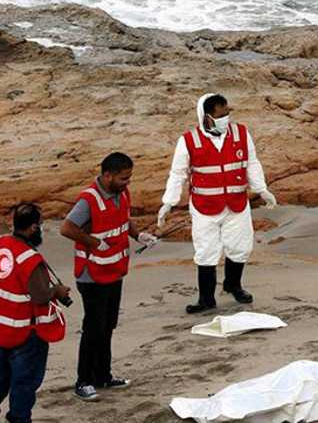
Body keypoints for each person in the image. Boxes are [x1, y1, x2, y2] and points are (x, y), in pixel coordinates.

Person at [157, 93, 277, 314]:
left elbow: (251, 162)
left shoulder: (241, 133)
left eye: (227, 113)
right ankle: (206, 298)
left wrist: (262, 190)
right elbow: (178, 174)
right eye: (220, 115)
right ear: (207, 116)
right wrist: (169, 202)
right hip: (204, 207)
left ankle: (233, 285)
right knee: (206, 252)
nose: (225, 119)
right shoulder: (189, 140)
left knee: (239, 248)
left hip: (237, 204)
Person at [60, 152, 158, 401]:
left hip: (114, 270)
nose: (128, 183)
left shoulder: (121, 193)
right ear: (107, 175)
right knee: (93, 328)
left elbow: (124, 220)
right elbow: (67, 228)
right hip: (91, 274)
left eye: (129, 178)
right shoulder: (89, 199)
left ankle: (103, 375)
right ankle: (84, 381)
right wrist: (94, 241)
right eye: (124, 178)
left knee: (108, 325)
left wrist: (139, 236)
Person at [0, 203, 70, 423]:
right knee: (24, 381)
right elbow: (41, 295)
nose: (41, 229)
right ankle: (19, 419)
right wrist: (58, 291)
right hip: (24, 332)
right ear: (33, 228)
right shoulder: (29, 259)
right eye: (40, 225)